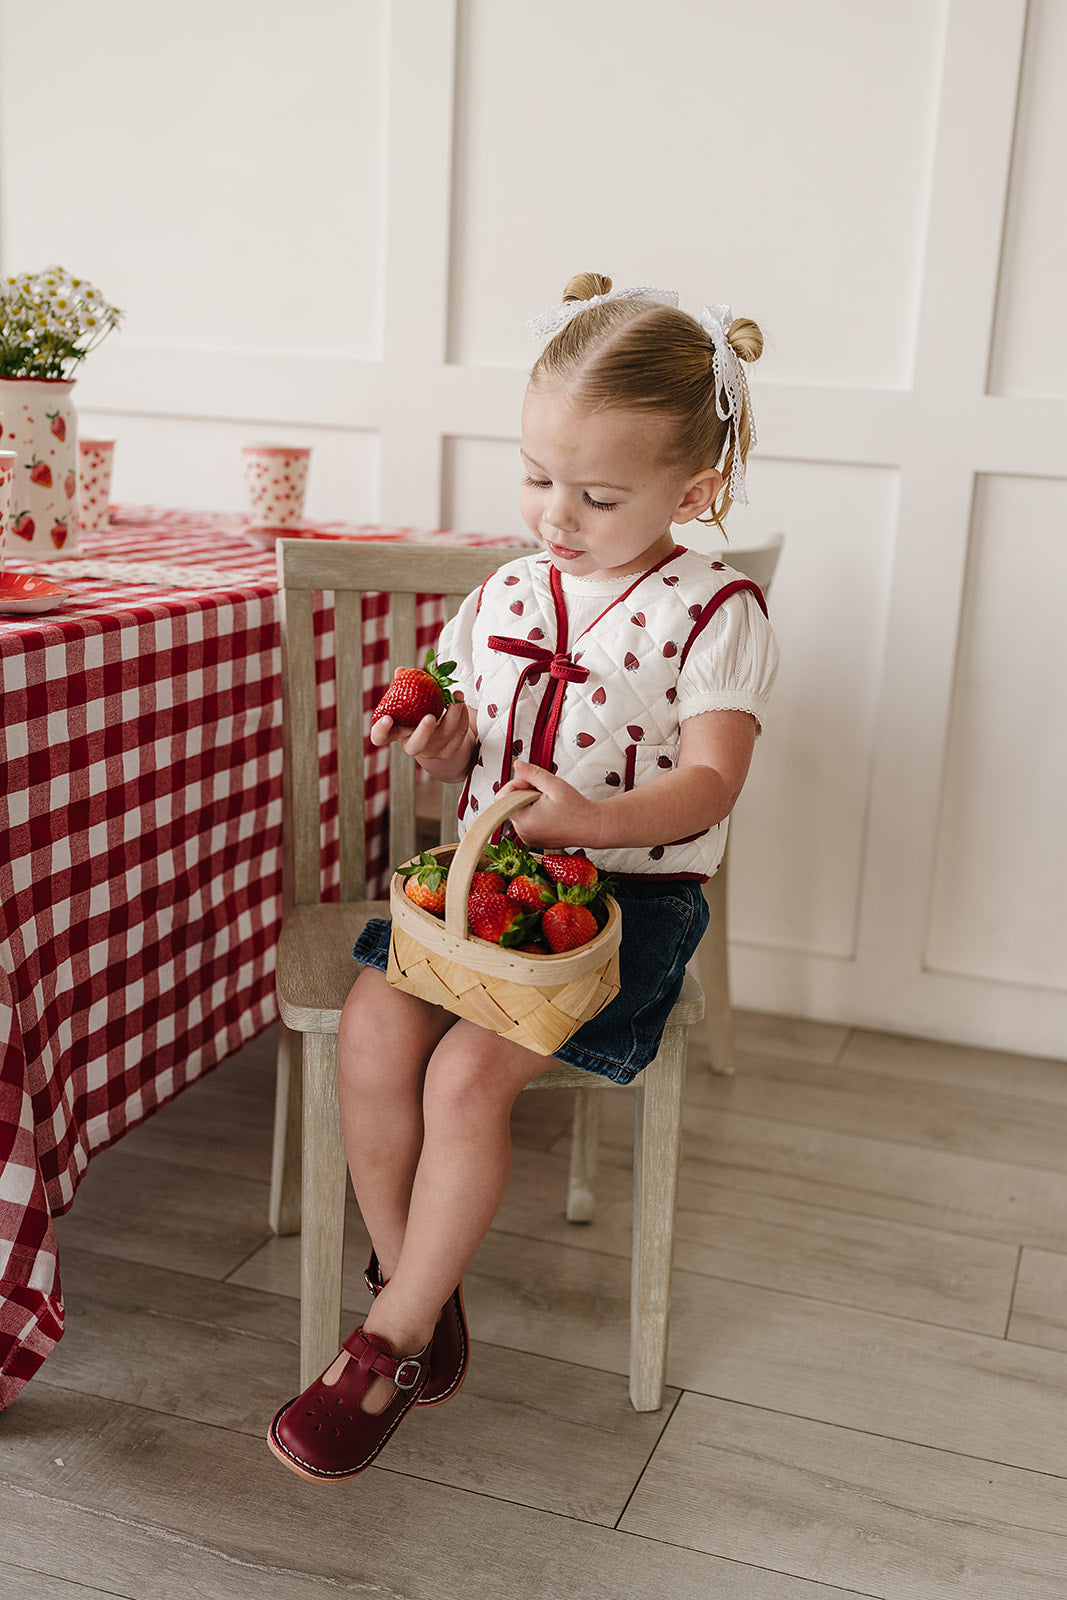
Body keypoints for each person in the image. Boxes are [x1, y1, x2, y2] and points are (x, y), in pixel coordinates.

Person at [267, 273, 779, 1481]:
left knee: (462, 1082)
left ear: (692, 492)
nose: (555, 514)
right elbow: (465, 729)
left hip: (620, 909)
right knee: (376, 1034)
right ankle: (419, 1286)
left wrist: (596, 820)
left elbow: (711, 784)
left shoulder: (714, 613)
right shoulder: (504, 589)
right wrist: (439, 738)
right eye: (536, 478)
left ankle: (387, 1343)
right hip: (476, 897)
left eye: (597, 495)